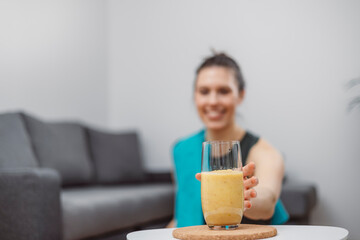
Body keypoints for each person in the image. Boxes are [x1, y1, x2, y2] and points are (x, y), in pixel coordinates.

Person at [167, 52, 289, 228]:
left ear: (240, 95)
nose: (213, 101)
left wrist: (243, 195)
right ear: (195, 96)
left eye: (223, 91)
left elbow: (268, 201)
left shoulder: (265, 153)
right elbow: (182, 218)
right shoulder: (181, 150)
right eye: (204, 92)